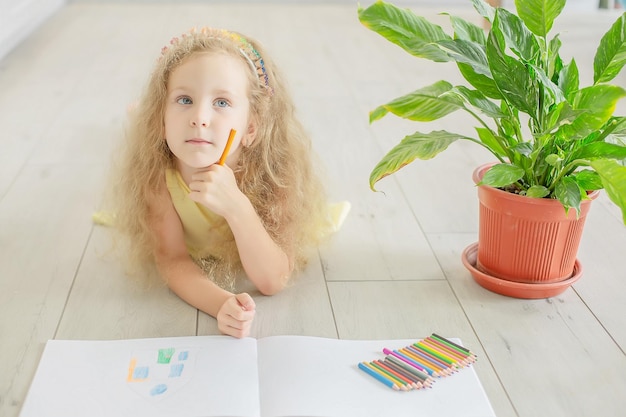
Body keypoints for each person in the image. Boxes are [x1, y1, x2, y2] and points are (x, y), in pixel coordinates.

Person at [106, 27, 344, 338]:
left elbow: (272, 280)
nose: (200, 117)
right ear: (160, 122)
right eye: (184, 99)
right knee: (133, 120)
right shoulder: (158, 177)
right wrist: (220, 303)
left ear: (251, 128)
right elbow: (172, 260)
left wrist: (237, 207)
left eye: (221, 103)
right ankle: (139, 112)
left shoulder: (275, 176)